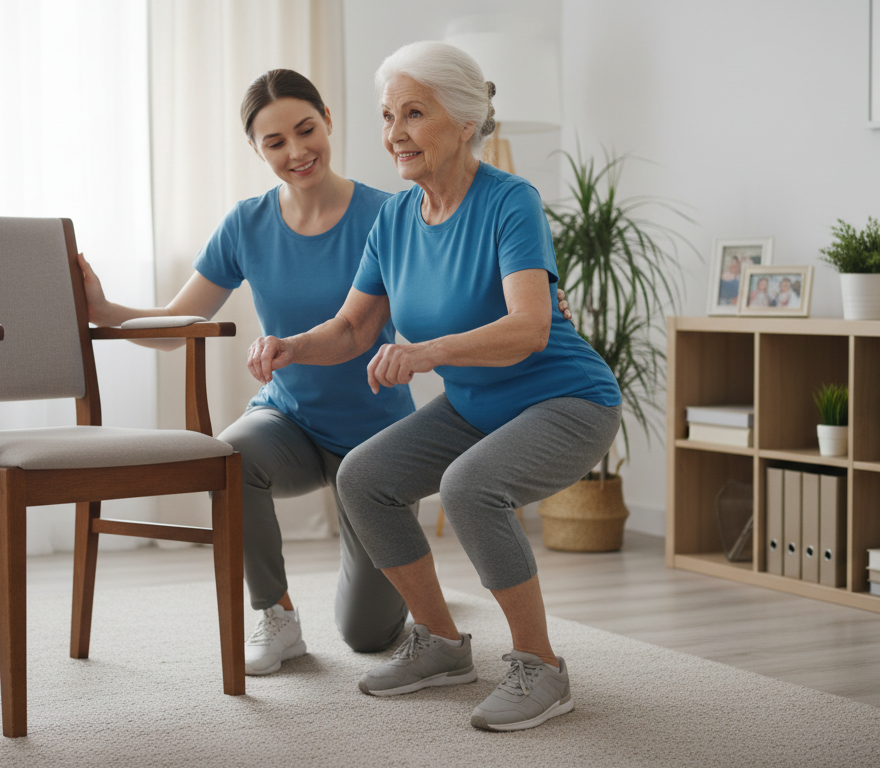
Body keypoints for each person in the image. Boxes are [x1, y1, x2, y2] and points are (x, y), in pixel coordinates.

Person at [78, 68, 577, 677]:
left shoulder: (389, 212)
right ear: (258, 150)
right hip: (286, 422)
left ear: (329, 121)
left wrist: (533, 304)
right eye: (275, 142)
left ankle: (408, 595)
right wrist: (103, 310)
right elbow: (179, 323)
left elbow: (458, 282)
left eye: (305, 130)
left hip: (372, 432)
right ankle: (276, 616)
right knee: (229, 456)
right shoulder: (247, 223)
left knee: (366, 636)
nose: (296, 152)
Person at [246, 41, 621, 732]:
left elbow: (530, 328)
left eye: (412, 114)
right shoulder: (394, 218)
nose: (393, 133)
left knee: (469, 487)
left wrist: (426, 353)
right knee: (363, 478)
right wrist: (290, 346)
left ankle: (541, 667)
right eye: (388, 115)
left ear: (464, 120)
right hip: (476, 406)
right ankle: (442, 644)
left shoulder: (510, 201)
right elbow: (355, 328)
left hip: (565, 401)